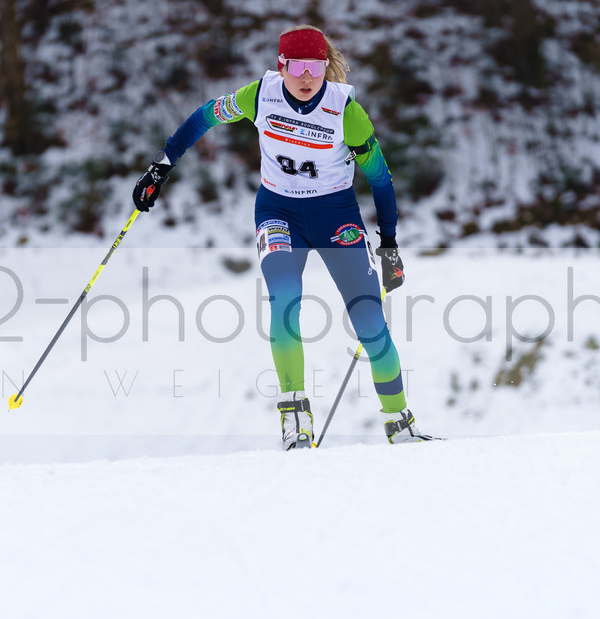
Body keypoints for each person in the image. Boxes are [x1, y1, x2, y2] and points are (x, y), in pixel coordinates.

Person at [133, 24, 424, 449]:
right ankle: (294, 418)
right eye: (298, 67)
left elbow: (380, 179)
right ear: (281, 65)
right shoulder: (259, 96)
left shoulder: (347, 112)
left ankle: (400, 422)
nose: (307, 77)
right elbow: (204, 117)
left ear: (326, 67)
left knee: (368, 320)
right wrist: (161, 166)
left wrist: (390, 243)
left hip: (335, 216)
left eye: (317, 67)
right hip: (278, 212)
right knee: (285, 300)